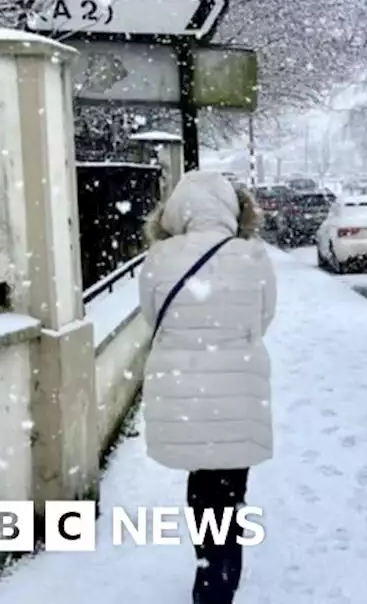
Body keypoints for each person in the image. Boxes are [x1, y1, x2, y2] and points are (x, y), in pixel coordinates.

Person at [139, 170, 277, 604]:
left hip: (184, 394)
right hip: (237, 394)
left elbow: (151, 317)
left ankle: (210, 571)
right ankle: (219, 580)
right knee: (230, 492)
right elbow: (262, 319)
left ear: (178, 209)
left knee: (201, 489)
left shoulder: (159, 259)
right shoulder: (253, 257)